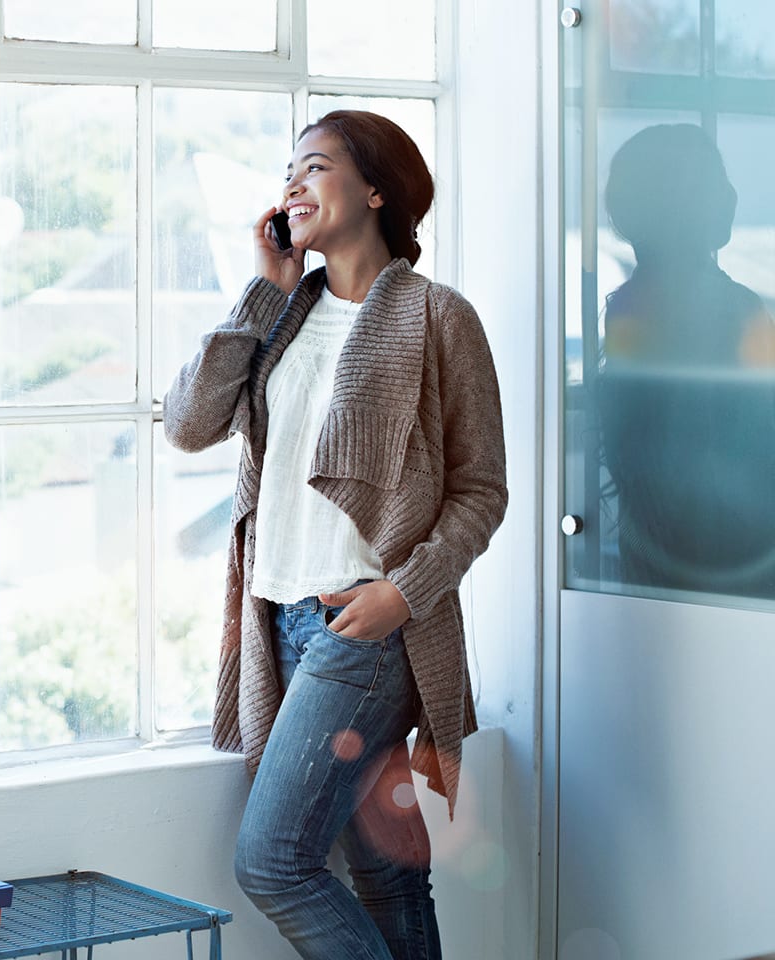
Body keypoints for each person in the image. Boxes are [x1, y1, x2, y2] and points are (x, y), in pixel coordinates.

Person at [164, 110, 507, 959]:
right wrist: (262, 289)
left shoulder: (439, 319)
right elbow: (186, 423)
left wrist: (405, 593)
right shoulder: (282, 316)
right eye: (289, 172)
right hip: (279, 619)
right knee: (385, 872)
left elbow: (481, 492)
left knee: (273, 861)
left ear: (378, 190)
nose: (293, 185)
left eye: (315, 167)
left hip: (368, 627)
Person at [596, 122, 775, 599]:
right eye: (715, 180)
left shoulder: (629, 308)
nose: (732, 194)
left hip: (661, 558)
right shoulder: (736, 308)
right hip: (730, 557)